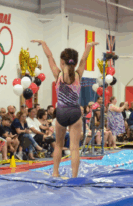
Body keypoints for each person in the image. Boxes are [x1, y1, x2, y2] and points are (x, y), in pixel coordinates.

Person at [31, 39, 99, 178]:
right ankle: (74, 176)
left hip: (61, 112)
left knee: (58, 145)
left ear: (62, 62)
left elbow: (49, 57)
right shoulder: (78, 75)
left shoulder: (57, 75)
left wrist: (44, 43)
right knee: (74, 148)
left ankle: (55, 173)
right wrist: (88, 46)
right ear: (73, 62)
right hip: (74, 111)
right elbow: (84, 59)